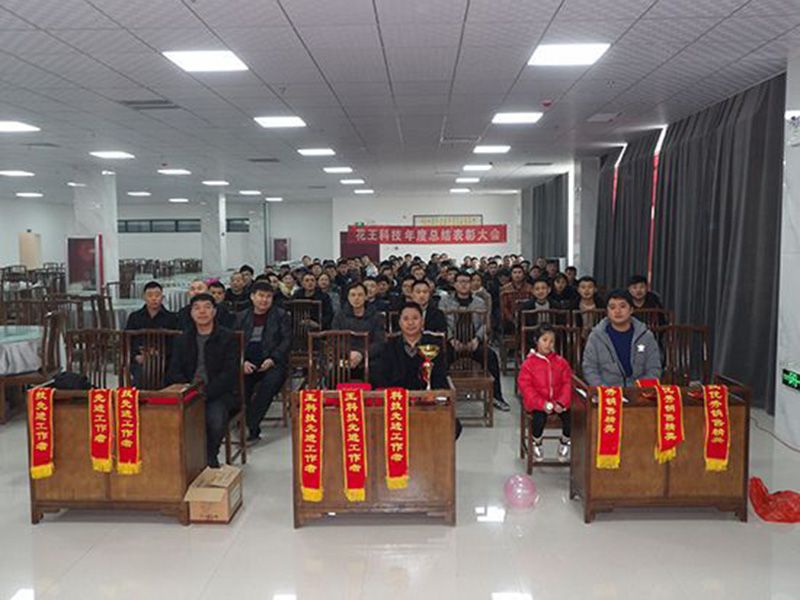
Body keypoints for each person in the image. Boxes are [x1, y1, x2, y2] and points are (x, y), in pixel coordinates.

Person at [165, 293, 238, 468]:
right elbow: (174, 370)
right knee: (167, 418)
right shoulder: (182, 339)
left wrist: (206, 392)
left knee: (215, 419)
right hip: (188, 393)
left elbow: (229, 374)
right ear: (191, 313)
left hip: (217, 393)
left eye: (207, 307)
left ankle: (209, 457)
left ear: (214, 311)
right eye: (197, 308)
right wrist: (189, 390)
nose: (202, 312)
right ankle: (183, 462)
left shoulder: (227, 337)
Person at [440, 270, 509, 412]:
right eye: (460, 282)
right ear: (454, 284)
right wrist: (451, 339)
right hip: (452, 343)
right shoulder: (445, 301)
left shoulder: (479, 302)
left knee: (491, 357)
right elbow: (442, 324)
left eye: (467, 282)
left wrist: (477, 339)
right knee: (440, 360)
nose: (464, 285)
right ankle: (442, 396)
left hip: (474, 342)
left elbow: (484, 324)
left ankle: (497, 397)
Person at [236, 281, 291, 442]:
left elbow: (286, 341)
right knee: (240, 386)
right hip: (247, 362)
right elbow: (233, 342)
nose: (264, 300)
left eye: (268, 296)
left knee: (269, 385)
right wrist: (242, 361)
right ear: (252, 297)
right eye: (261, 296)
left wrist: (273, 358)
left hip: (273, 361)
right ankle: (248, 425)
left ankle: (250, 424)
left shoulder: (281, 315)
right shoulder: (241, 317)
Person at [582, 289, 662, 387]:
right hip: (607, 391)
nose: (617, 311)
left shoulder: (646, 336)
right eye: (612, 307)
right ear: (607, 312)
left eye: (623, 306)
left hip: (639, 391)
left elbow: (654, 369)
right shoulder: (596, 337)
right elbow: (589, 369)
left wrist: (638, 388)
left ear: (631, 310)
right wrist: (605, 389)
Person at [518, 323, 573, 463]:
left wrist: (561, 402)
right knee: (538, 419)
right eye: (545, 340)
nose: (548, 344)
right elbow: (526, 388)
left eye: (552, 341)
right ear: (536, 341)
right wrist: (542, 404)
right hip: (539, 404)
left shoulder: (561, 362)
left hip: (558, 403)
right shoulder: (528, 364)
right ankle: (537, 442)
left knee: (571, 418)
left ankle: (565, 442)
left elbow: (567, 383)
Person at [372, 302, 448, 390]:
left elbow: (441, 377)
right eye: (405, 319)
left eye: (415, 318)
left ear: (422, 322)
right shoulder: (389, 347)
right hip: (398, 396)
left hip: (428, 396)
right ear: (399, 322)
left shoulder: (434, 346)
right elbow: (381, 378)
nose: (410, 322)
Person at [124, 280, 179, 386]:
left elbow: (175, 343)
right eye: (150, 295)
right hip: (140, 359)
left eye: (157, 295)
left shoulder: (172, 318)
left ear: (162, 297)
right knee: (142, 373)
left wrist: (159, 355)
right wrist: (135, 356)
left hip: (165, 361)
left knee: (166, 373)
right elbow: (127, 340)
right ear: (144, 297)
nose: (154, 298)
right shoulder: (134, 317)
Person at [331, 282, 386, 371]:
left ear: (366, 297)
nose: (356, 298)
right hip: (346, 358)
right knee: (334, 374)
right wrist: (349, 353)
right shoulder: (339, 316)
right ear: (348, 297)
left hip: (369, 359)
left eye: (360, 295)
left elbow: (379, 342)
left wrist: (361, 354)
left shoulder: (376, 317)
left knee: (378, 372)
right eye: (353, 295)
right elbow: (335, 339)